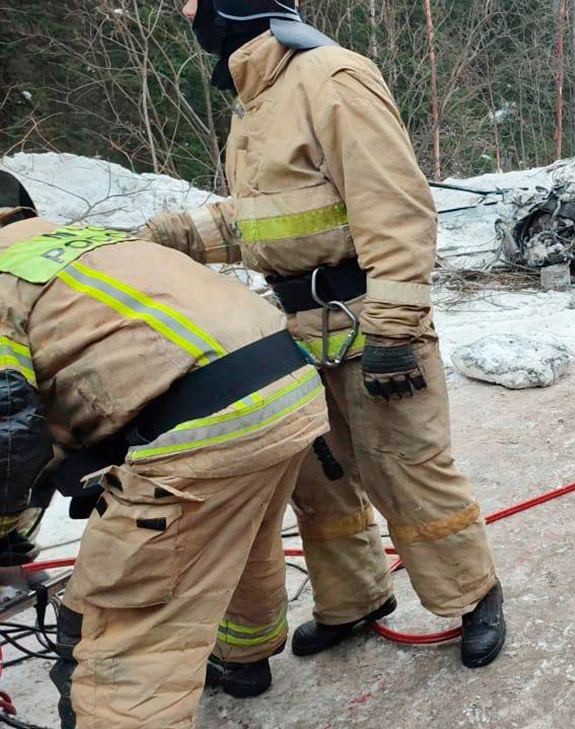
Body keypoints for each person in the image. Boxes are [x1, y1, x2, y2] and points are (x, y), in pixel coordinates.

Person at [153, 0, 506, 674]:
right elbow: (269, 220)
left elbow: (395, 206)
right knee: (320, 478)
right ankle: (354, 599)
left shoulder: (332, 76)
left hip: (368, 317)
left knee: (404, 465)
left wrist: (396, 330)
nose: (187, 12)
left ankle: (474, 594)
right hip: (295, 327)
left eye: (194, 1)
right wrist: (174, 236)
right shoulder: (255, 100)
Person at [0, 172, 330, 729]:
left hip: (205, 425)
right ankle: (243, 658)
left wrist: (6, 529)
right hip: (289, 385)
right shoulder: (82, 239)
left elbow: (10, 439)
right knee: (240, 538)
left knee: (120, 624)